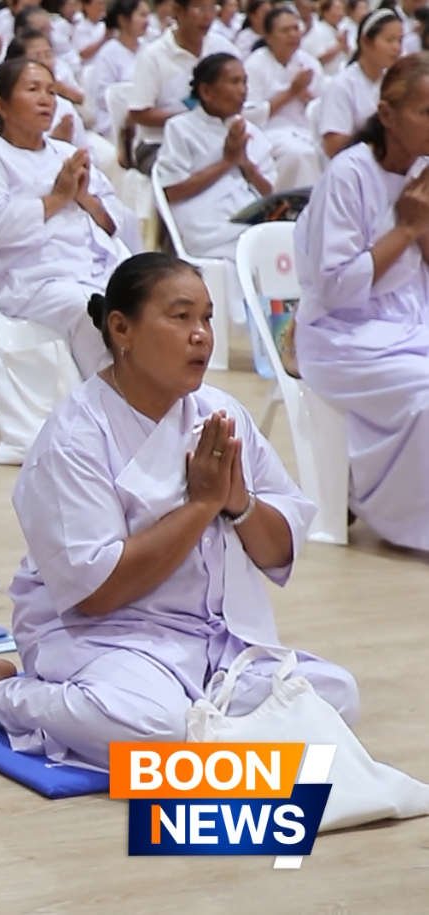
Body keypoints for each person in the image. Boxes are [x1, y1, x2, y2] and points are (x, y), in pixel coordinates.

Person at [0, 253, 359, 770]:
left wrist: (239, 503)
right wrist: (202, 505)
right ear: (121, 328)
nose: (202, 335)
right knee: (156, 731)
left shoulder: (221, 412)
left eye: (208, 317)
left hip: (215, 641)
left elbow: (279, 548)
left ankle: (205, 721)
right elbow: (98, 595)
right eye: (181, 316)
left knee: (336, 697)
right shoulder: (76, 436)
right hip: (105, 639)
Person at [293, 54, 429, 552]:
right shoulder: (348, 174)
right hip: (343, 335)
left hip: (411, 320)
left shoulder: (422, 170)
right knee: (425, 399)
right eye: (426, 112)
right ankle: (406, 519)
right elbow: (334, 286)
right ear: (388, 116)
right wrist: (409, 227)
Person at [0, 58, 135, 377]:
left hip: (95, 267)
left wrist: (83, 198)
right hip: (33, 281)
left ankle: (152, 400)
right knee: (92, 312)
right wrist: (57, 198)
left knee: (147, 302)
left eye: (52, 91)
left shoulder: (66, 153)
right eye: (33, 89)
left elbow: (113, 223)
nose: (46, 99)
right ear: (1, 104)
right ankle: (111, 405)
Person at [153, 53, 275, 260]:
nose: (243, 90)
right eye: (234, 82)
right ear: (206, 91)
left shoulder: (250, 131)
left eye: (245, 82)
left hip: (250, 219)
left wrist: (246, 164)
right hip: (205, 225)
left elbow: (268, 191)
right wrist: (227, 162)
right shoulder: (180, 128)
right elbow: (172, 191)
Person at [125, 0, 237, 172]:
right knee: (203, 165)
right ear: (177, 10)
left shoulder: (222, 48)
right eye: (199, 8)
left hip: (214, 136)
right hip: (159, 142)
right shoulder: (153, 56)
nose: (207, 16)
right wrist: (188, 120)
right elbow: (139, 113)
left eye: (212, 8)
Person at [244, 4, 323, 189]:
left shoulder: (308, 62)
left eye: (296, 28)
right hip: (269, 132)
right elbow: (249, 114)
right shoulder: (255, 64)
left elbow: (322, 106)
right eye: (285, 30)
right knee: (297, 154)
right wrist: (291, 92)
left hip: (305, 130)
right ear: (269, 36)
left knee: (324, 152)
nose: (293, 35)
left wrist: (308, 98)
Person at [318, 7, 400, 158]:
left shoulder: (394, 82)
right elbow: (333, 145)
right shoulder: (342, 85)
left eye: (399, 40)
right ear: (365, 41)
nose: (397, 47)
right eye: (389, 40)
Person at [85, 0, 146, 142]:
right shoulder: (108, 52)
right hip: (114, 122)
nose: (147, 21)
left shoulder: (149, 49)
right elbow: (101, 96)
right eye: (142, 15)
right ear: (124, 20)